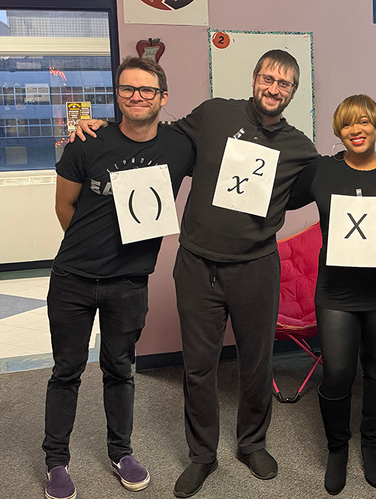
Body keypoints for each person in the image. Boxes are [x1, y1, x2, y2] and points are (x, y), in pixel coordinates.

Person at [73, 49, 319, 498]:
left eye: (283, 83)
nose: (273, 88)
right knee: (200, 367)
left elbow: (309, 191)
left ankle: (252, 443)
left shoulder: (300, 147)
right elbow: (154, 136)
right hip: (198, 265)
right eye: (267, 78)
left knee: (257, 362)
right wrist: (102, 129)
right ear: (254, 77)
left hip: (256, 268)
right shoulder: (214, 115)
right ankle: (202, 455)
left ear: (293, 91)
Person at [43, 57, 194, 499]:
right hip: (72, 277)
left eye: (147, 90)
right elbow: (63, 208)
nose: (137, 97)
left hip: (128, 283)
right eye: (128, 89)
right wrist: (95, 246)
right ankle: (56, 460)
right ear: (118, 95)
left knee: (120, 370)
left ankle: (121, 452)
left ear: (162, 98)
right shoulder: (87, 143)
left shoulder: (181, 147)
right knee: (66, 371)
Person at [288, 94, 376, 495]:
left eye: (363, 122)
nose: (356, 130)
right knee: (339, 369)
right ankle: (337, 447)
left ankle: (371, 443)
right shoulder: (321, 171)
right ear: (338, 131)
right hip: (338, 288)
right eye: (347, 124)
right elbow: (274, 195)